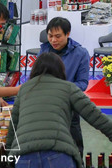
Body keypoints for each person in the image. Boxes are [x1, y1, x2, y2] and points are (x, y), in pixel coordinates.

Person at [5, 52, 112, 168]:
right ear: (60, 70)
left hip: (25, 158)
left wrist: (6, 159)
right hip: (59, 155)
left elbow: (13, 127)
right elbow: (94, 116)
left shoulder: (24, 90)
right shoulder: (68, 88)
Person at [38, 17, 90, 158]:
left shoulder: (80, 53)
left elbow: (83, 83)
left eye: (58, 36)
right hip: (46, 106)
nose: (53, 40)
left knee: (74, 144)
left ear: (68, 34)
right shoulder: (44, 51)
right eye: (50, 36)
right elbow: (36, 78)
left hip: (69, 105)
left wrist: (60, 88)